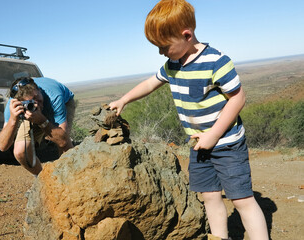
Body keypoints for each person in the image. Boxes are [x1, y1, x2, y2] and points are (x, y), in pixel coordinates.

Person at [109, 1, 269, 239]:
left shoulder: (216, 61)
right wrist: (124, 99)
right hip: (198, 144)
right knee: (210, 197)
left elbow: (238, 98)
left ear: (186, 35)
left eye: (164, 46)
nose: (161, 52)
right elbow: (151, 83)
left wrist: (213, 135)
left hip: (226, 143)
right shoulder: (173, 64)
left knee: (242, 199)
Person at [0, 76, 75, 176]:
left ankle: (71, 177)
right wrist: (13, 119)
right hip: (29, 112)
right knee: (21, 152)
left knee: (64, 147)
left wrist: (41, 120)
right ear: (21, 103)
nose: (36, 104)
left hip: (63, 102)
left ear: (38, 89)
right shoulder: (13, 105)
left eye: (36, 97)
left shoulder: (54, 96)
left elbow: (63, 141)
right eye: (30, 102)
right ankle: (43, 179)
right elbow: (3, 146)